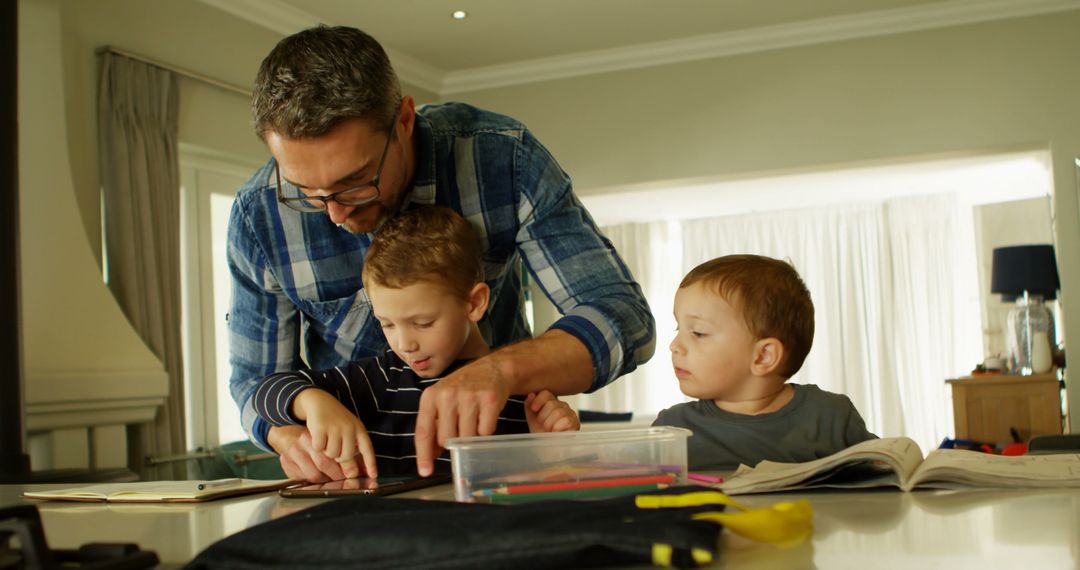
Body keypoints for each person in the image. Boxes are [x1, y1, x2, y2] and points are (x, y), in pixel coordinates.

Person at [228, 25, 654, 481]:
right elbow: (256, 382)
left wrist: (500, 372)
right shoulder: (259, 215)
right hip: (361, 487)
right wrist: (288, 435)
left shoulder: (503, 160)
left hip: (496, 468)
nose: (333, 213)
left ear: (405, 120)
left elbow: (624, 318)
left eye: (355, 182)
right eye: (305, 191)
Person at [250, 207, 579, 478]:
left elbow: (537, 491)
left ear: (474, 303)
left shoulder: (519, 393)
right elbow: (264, 390)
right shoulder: (381, 377)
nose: (404, 343)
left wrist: (548, 451)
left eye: (423, 323)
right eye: (387, 324)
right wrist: (313, 403)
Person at [653, 255, 876, 470]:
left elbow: (888, 478)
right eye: (677, 328)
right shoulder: (671, 428)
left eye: (698, 332)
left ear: (763, 356)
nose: (674, 345)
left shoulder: (830, 416)